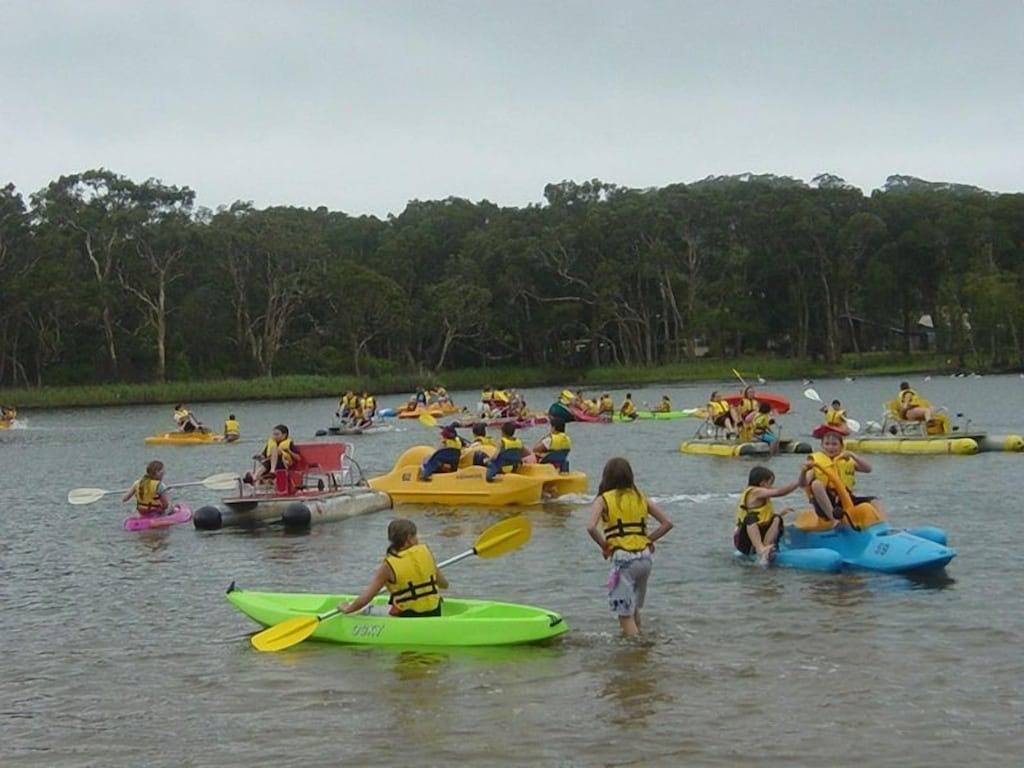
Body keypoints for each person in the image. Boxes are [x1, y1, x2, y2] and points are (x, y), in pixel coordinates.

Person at [586, 457, 673, 636]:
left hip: (624, 560)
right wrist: (648, 539)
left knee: (624, 615)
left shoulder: (603, 500)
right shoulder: (640, 496)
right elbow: (667, 523)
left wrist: (604, 545)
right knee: (632, 608)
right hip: (645, 559)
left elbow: (590, 527)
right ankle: (639, 640)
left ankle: (635, 652)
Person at [338, 519, 449, 618]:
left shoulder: (388, 566)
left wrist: (348, 609)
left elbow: (366, 598)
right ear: (409, 539)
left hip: (407, 616)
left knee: (367, 609)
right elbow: (444, 584)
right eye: (416, 536)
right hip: (434, 612)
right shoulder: (425, 552)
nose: (417, 539)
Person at [801, 425, 884, 526]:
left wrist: (853, 456)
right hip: (826, 503)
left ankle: (882, 526)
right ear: (822, 446)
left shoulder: (846, 460)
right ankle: (833, 520)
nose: (830, 447)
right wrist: (804, 471)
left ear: (841, 446)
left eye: (834, 444)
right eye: (827, 444)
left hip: (846, 499)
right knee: (816, 484)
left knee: (874, 500)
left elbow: (868, 469)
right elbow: (803, 483)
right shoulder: (815, 462)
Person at [734, 466, 801, 564]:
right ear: (762, 483)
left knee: (777, 518)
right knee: (750, 518)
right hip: (744, 541)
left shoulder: (760, 494)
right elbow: (780, 492)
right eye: (770, 483)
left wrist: (780, 513)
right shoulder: (755, 492)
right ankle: (760, 549)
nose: (771, 487)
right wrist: (799, 482)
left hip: (755, 536)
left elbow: (763, 516)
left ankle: (767, 547)